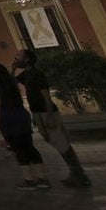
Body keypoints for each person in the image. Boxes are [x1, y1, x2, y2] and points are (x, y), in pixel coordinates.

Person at [13, 47, 91, 187]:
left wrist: (49, 115)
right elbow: (13, 80)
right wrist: (14, 67)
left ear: (28, 59)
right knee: (56, 143)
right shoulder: (27, 74)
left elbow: (46, 95)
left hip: (46, 112)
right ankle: (75, 173)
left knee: (62, 144)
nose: (15, 57)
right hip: (37, 113)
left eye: (18, 55)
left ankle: (79, 174)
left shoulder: (37, 74)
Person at [0, 62, 49, 189]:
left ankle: (28, 180)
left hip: (8, 119)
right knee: (29, 147)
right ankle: (42, 178)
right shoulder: (10, 83)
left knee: (18, 149)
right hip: (21, 116)